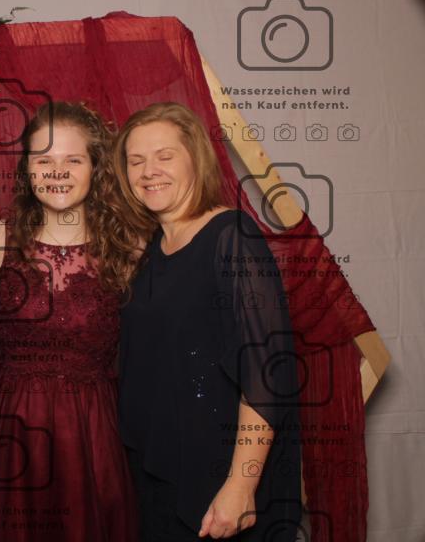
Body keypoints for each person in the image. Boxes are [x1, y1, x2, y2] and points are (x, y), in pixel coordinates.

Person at [113, 102, 302, 541]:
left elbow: (267, 375)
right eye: (136, 161)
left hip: (219, 477)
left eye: (164, 156)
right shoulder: (153, 249)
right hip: (160, 470)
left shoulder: (232, 237)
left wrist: (241, 485)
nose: (149, 171)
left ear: (195, 158)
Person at [0, 102, 142, 542]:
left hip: (92, 435)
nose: (57, 172)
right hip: (8, 430)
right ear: (27, 170)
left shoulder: (128, 249)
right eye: (44, 161)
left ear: (95, 167)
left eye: (73, 160)